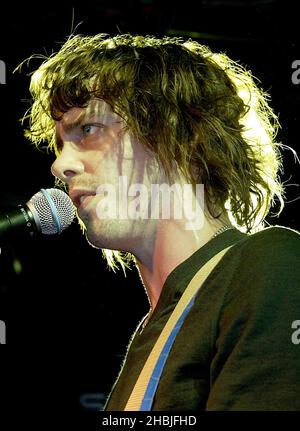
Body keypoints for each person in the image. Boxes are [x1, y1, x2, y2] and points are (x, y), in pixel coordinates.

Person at [20, 34, 300, 410]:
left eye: (87, 130)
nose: (60, 165)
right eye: (59, 144)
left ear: (178, 133)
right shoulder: (153, 331)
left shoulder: (272, 264)